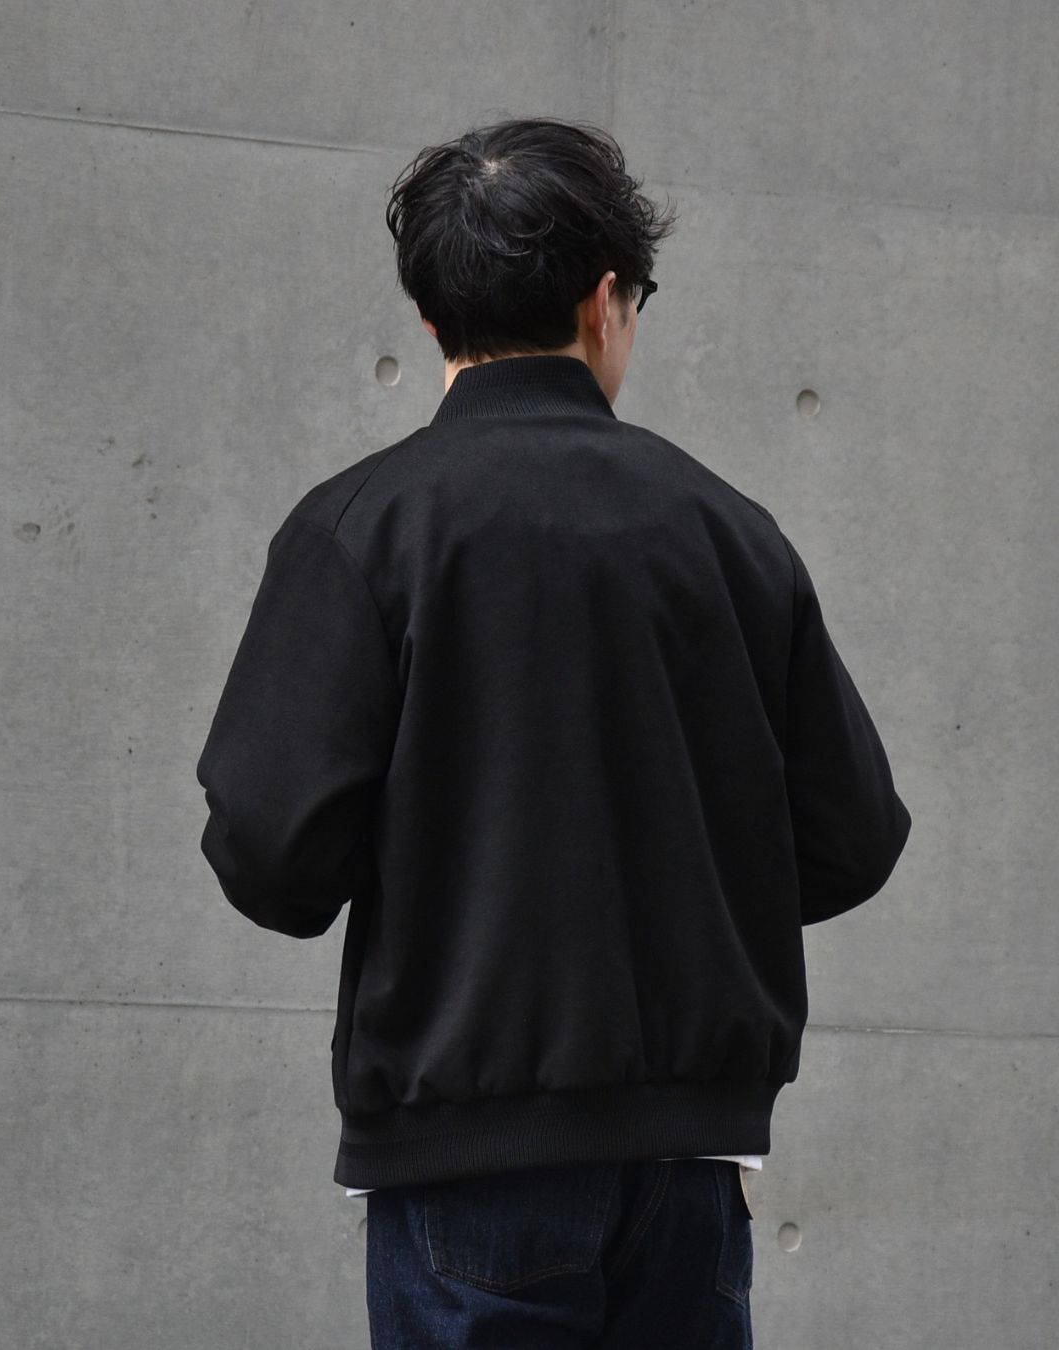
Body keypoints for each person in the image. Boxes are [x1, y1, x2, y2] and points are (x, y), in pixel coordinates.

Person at [197, 117, 912, 1348]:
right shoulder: (729, 534)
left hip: (463, 1161)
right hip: (692, 1164)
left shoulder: (365, 528)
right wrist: (679, 890)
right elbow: (851, 839)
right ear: (604, 302)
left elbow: (273, 858)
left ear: (432, 318)